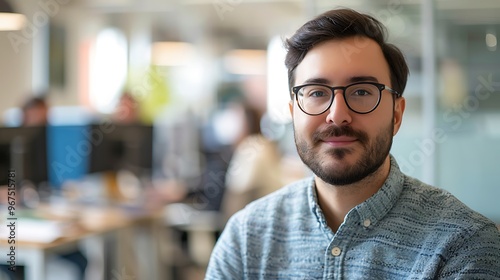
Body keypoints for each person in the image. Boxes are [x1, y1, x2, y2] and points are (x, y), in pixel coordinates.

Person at [205, 8, 500, 279]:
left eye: (361, 92)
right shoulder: (246, 239)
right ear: (294, 112)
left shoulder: (463, 245)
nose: (337, 116)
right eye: (317, 92)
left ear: (396, 114)